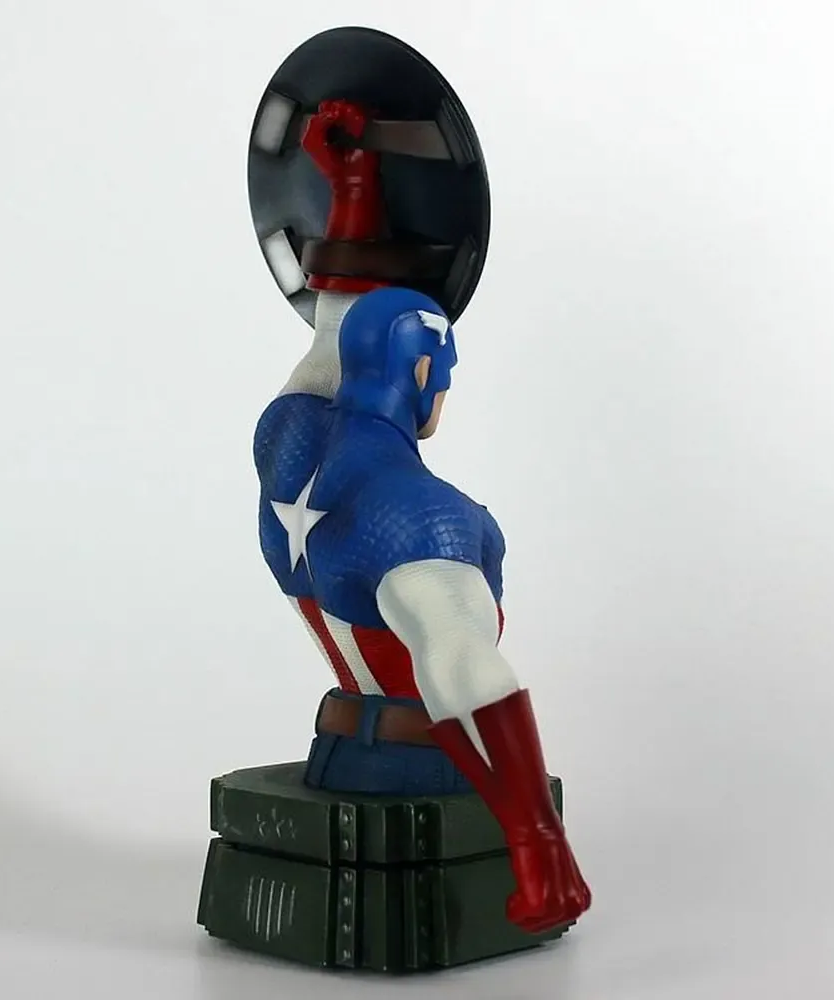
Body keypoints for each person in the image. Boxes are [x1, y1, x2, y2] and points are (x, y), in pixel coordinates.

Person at [252, 99, 591, 933]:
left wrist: (353, 186)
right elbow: (464, 665)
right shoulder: (424, 515)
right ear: (424, 378)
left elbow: (334, 332)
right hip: (431, 768)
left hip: (339, 751)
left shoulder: (287, 441)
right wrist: (535, 843)